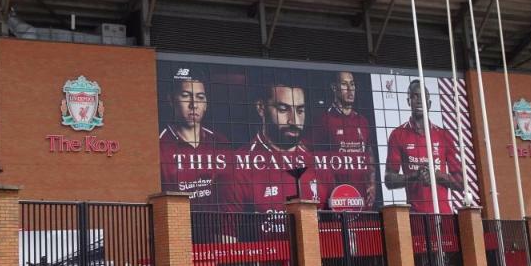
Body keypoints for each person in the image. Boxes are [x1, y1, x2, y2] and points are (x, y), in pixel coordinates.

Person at [222, 77, 330, 216]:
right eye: (283, 109)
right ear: (261, 108)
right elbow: (226, 237)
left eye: (300, 110)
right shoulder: (237, 169)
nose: (294, 121)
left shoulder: (318, 164)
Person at [384, 79, 464, 214]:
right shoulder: (398, 135)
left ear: (429, 103)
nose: (419, 101)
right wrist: (414, 176)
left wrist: (436, 176)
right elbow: (389, 180)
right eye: (414, 96)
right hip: (415, 216)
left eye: (423, 97)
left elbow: (461, 183)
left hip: (444, 215)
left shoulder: (444, 135)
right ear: (409, 101)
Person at [158, 67, 228, 205]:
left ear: (206, 104)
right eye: (185, 96)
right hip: (178, 223)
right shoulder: (159, 146)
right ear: (171, 100)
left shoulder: (220, 142)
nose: (194, 104)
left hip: (217, 225)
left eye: (200, 97)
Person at [311, 71, 376, 208]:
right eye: (344, 84)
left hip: (361, 198)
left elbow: (368, 152)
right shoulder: (323, 120)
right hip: (336, 198)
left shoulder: (362, 121)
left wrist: (372, 182)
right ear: (334, 88)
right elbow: (315, 160)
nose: (350, 89)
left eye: (352, 84)